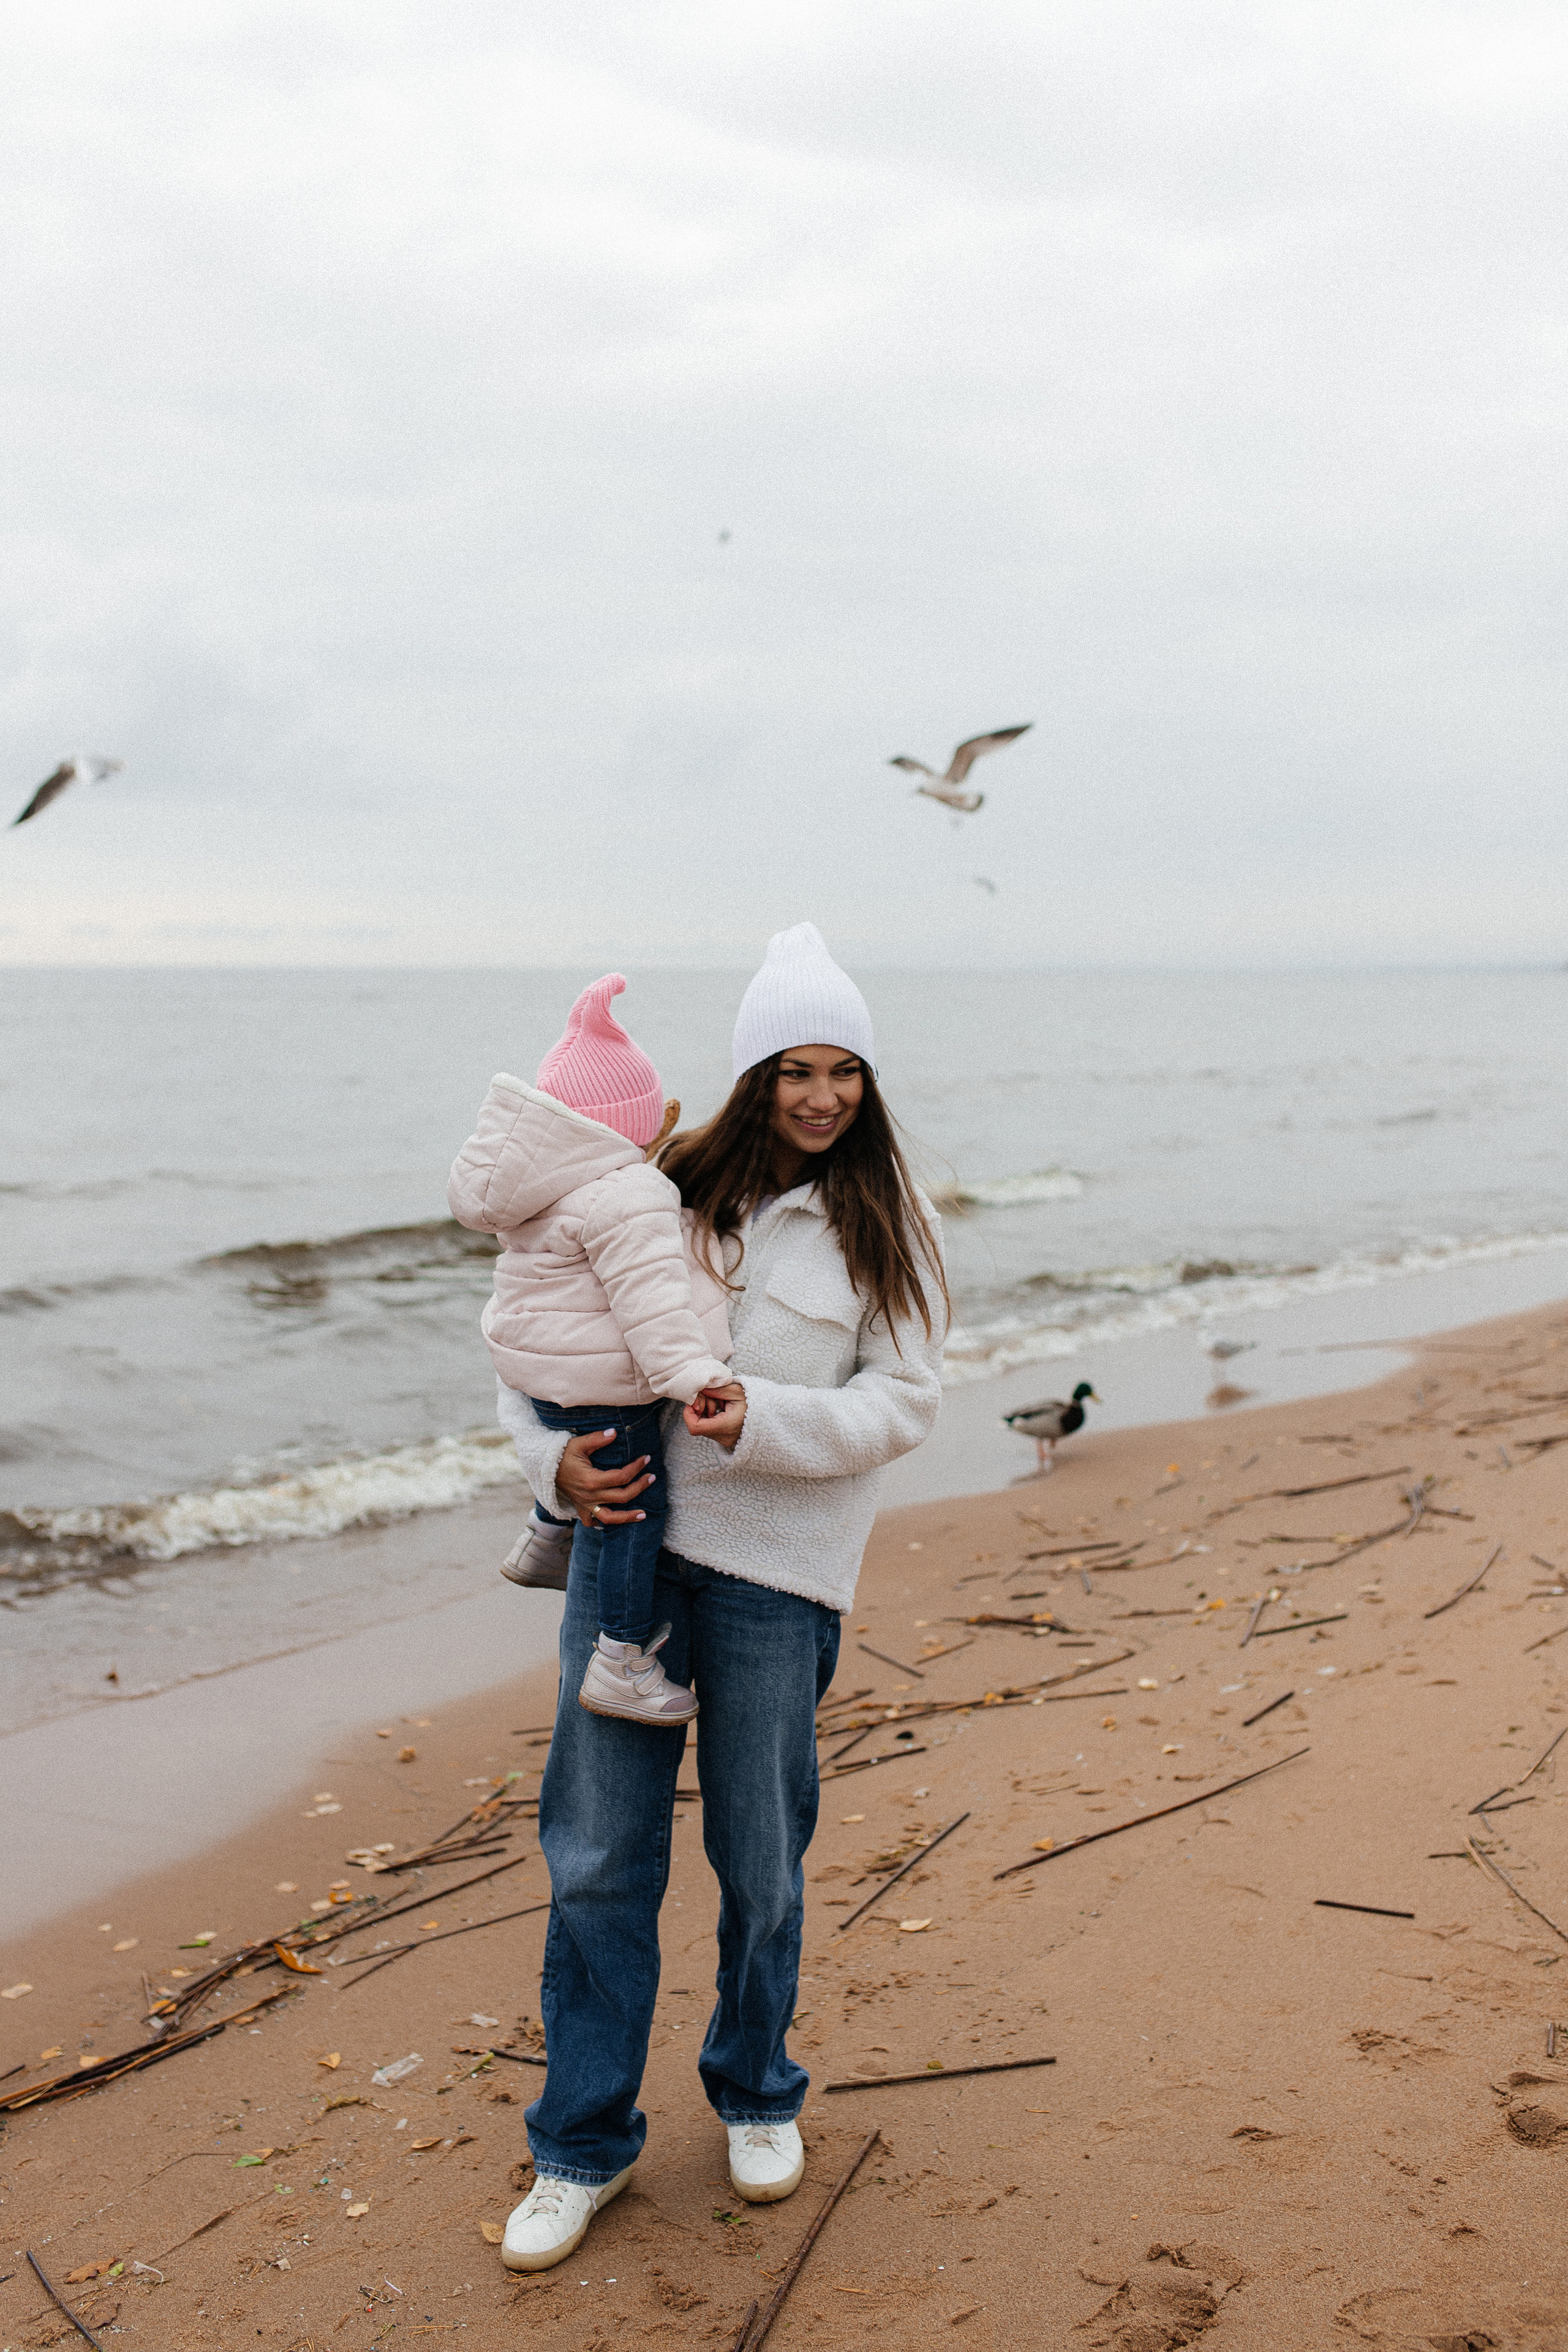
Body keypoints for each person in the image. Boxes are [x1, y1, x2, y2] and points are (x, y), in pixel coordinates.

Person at [492, 922, 948, 2271]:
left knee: (759, 1863)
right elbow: (536, 1347)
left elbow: (905, 1403)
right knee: (594, 1867)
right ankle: (579, 2145)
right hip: (629, 1565)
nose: (822, 1096)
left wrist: (764, 1416)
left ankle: (755, 2091)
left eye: (845, 1072)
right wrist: (551, 1465)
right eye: (795, 1070)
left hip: (779, 1586)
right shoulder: (653, 1191)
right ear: (753, 1076)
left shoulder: (891, 1228)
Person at [448, 972, 739, 1724]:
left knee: (588, 1473)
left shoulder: (540, 1190)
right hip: (605, 1385)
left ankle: (545, 1536)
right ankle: (621, 1659)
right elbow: (651, 1305)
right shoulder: (630, 1190)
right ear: (640, 1124)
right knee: (635, 1508)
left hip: (539, 1376)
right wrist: (690, 1375)